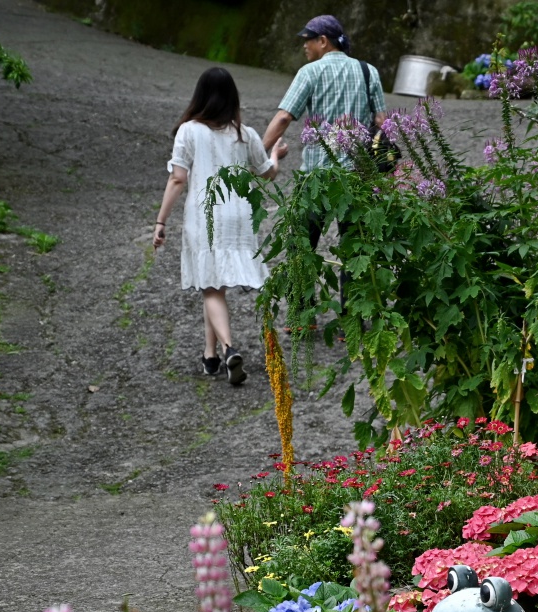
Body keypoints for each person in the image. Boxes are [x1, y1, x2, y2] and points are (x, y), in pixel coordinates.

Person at [153, 67, 286, 385]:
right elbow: (266, 172)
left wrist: (161, 221)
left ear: (200, 96)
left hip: (206, 216)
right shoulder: (245, 134)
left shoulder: (189, 131)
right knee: (214, 286)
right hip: (240, 218)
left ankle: (228, 349)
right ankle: (210, 357)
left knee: (211, 287)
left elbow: (177, 178)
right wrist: (277, 155)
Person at [262, 15, 388, 248]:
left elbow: (283, 117)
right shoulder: (368, 71)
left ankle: (298, 285)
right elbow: (382, 121)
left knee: (301, 253)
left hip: (315, 177)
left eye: (307, 39)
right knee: (356, 252)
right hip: (357, 177)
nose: (304, 45)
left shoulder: (309, 72)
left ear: (322, 41)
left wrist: (260, 152)